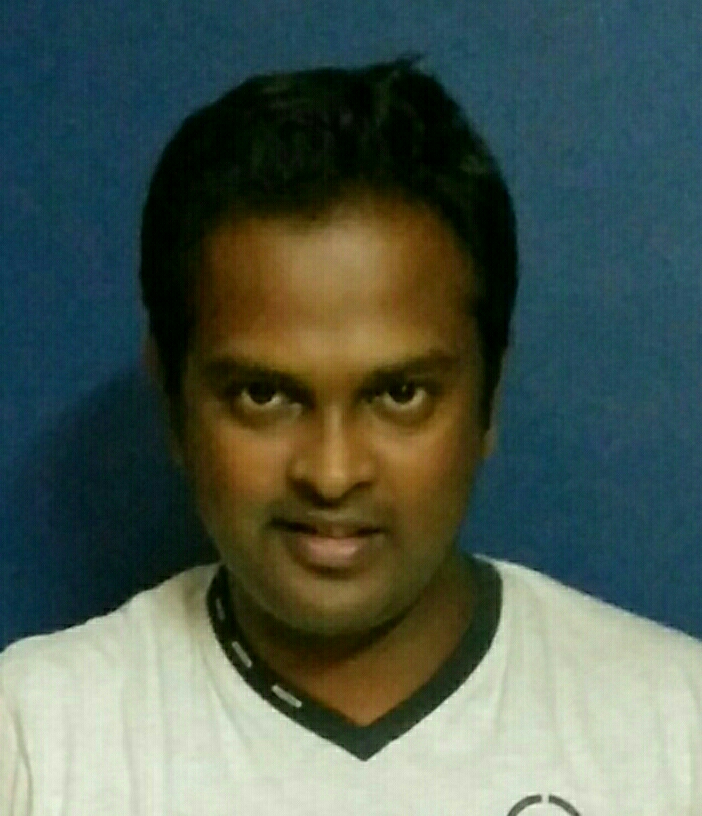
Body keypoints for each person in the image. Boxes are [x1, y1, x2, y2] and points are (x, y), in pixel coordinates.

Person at [1, 57, 700, 815]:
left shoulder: (676, 728)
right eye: (263, 395)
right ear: (172, 402)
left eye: (399, 394)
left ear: (489, 398)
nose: (331, 474)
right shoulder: (36, 738)